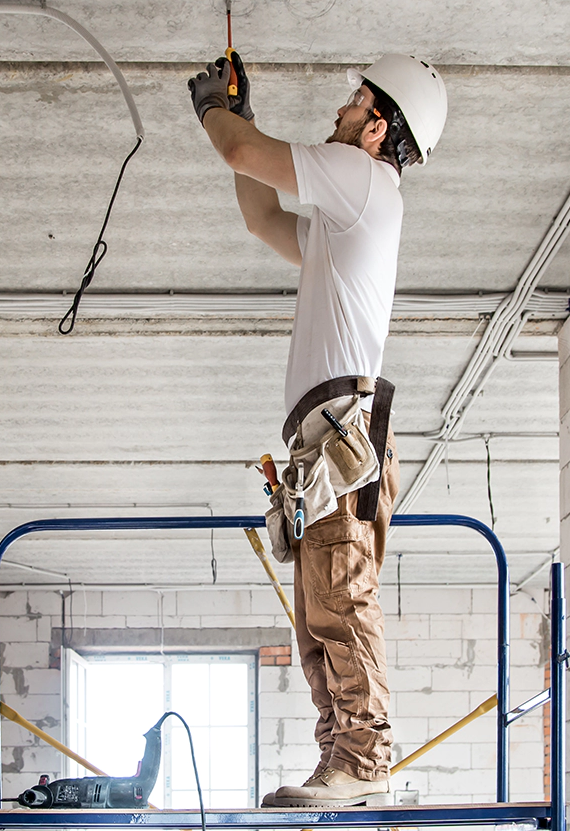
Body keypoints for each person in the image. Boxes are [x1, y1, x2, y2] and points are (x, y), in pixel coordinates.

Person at [189, 52, 447, 807]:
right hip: (321, 446)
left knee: (341, 596)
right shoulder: (344, 224)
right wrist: (242, 116)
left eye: (353, 101)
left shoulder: (366, 183)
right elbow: (260, 211)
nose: (339, 109)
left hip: (340, 436)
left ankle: (365, 762)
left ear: (377, 128)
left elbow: (240, 153)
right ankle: (341, 755)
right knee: (318, 615)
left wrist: (218, 111)